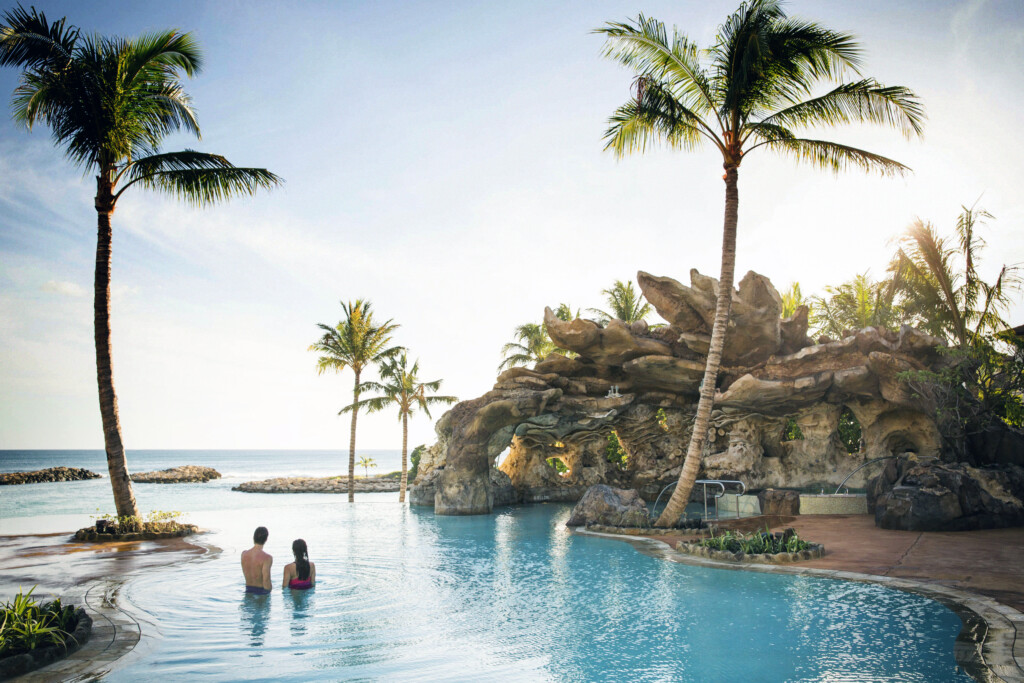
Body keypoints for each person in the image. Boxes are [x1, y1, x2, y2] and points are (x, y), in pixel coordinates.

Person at [241, 526, 273, 595]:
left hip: (248, 590)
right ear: (266, 539)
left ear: (253, 537)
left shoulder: (243, 554)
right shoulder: (267, 558)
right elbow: (266, 580)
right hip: (261, 593)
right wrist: (269, 593)